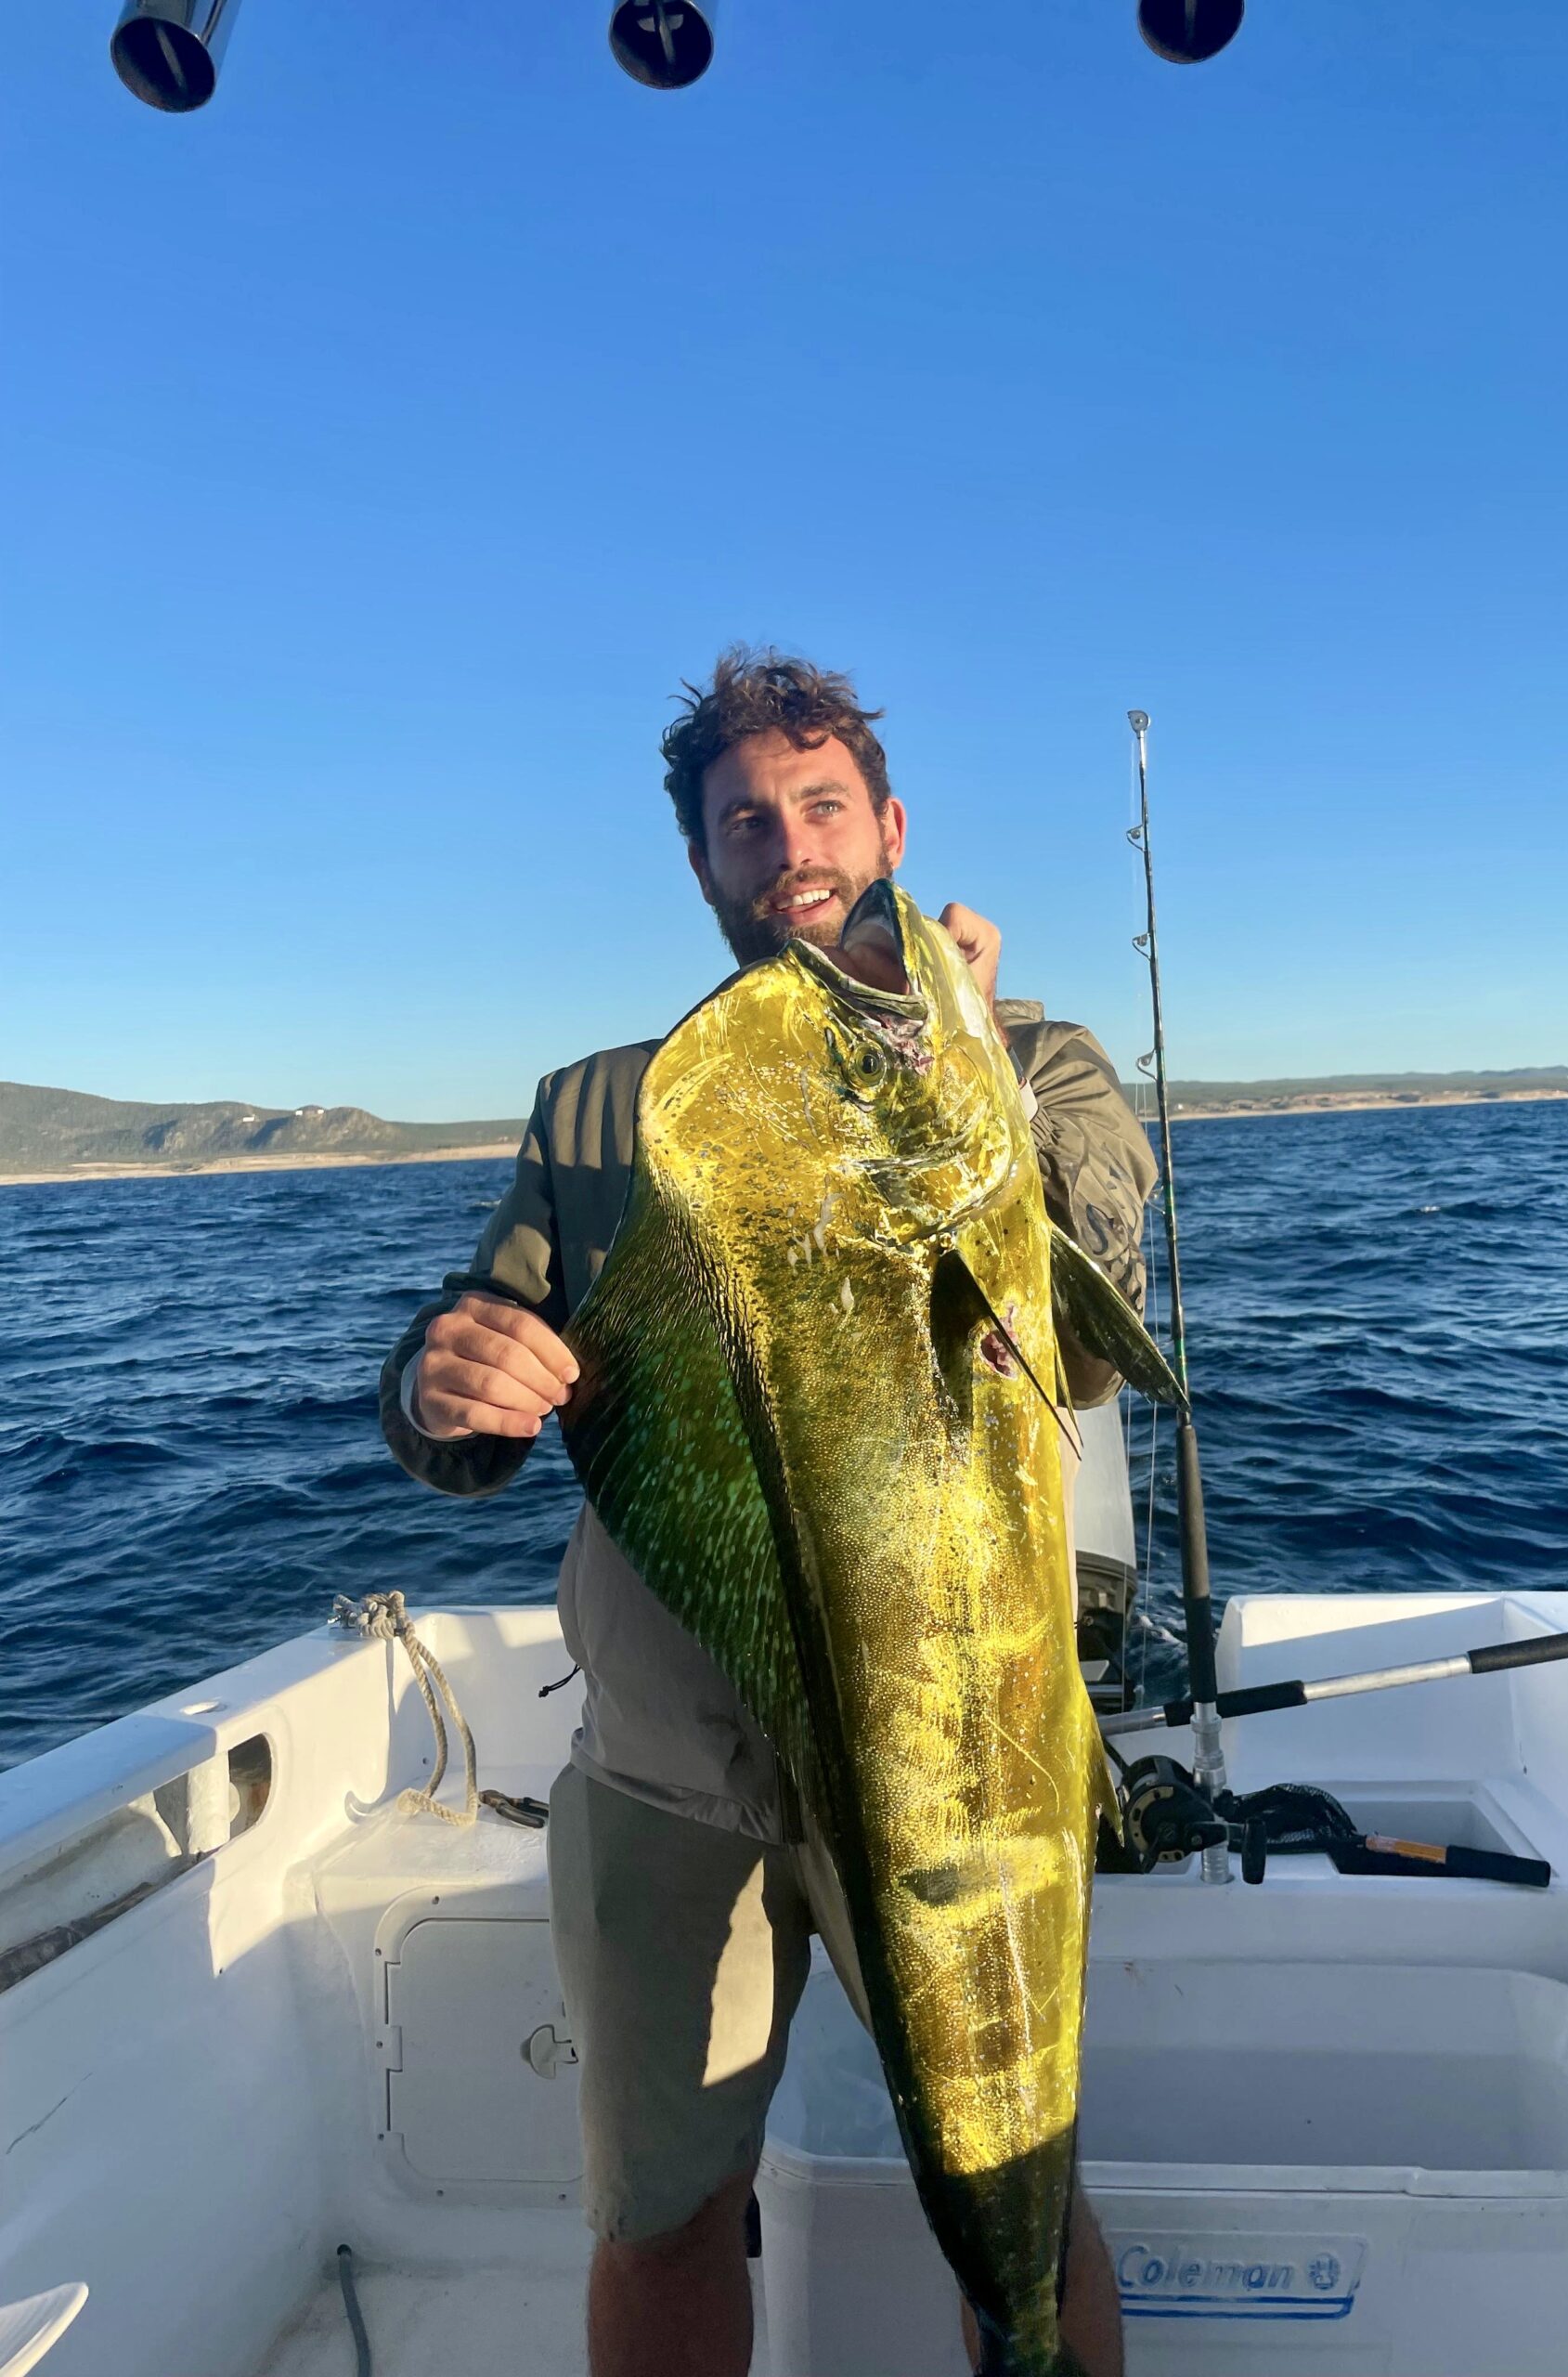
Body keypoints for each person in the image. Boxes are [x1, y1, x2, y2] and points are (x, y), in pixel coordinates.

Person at [380, 650, 1158, 2377]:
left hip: (961, 1756)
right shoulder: (601, 1107)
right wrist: (442, 1387)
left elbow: (1099, 1276)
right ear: (702, 866)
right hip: (672, 1762)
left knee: (1021, 2196)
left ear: (887, 829)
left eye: (821, 807)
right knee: (658, 2214)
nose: (787, 843)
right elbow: (467, 1421)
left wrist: (972, 1082)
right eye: (745, 820)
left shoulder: (1034, 1060)